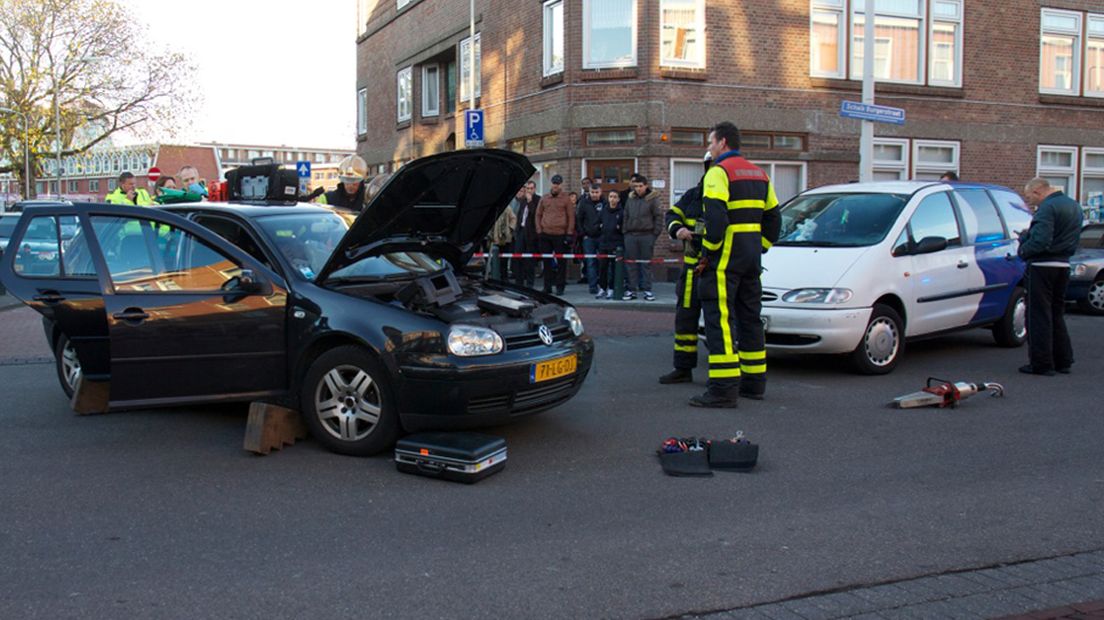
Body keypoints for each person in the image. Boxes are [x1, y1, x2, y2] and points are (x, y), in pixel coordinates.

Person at [691, 121, 781, 408]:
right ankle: (754, 383)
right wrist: (760, 246)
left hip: (724, 261)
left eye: (711, 142)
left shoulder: (718, 173)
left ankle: (723, 389)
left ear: (724, 142)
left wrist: (708, 251)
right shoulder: (760, 174)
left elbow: (715, 221)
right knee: (750, 319)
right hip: (751, 259)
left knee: (720, 323)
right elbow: (774, 219)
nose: (709, 148)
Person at [1017, 177, 1083, 375]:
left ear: (1038, 191)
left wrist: (1023, 246)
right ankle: (1063, 360)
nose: (1030, 202)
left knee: (1038, 315)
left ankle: (1042, 363)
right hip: (1063, 265)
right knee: (1056, 313)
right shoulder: (1074, 206)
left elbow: (1041, 241)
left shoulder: (1047, 208)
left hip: (1042, 266)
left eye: (1030, 197)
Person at [659, 152, 712, 384]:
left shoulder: (729, 196)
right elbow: (672, 214)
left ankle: (722, 375)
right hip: (691, 272)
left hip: (714, 271)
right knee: (685, 321)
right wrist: (677, 229)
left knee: (716, 323)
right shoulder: (694, 195)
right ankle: (683, 368)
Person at [621, 174, 663, 301]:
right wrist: (625, 231)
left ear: (646, 186)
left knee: (646, 264)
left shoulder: (653, 199)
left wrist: (654, 234)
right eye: (635, 186)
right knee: (630, 264)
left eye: (640, 186)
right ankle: (632, 290)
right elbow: (626, 214)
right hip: (631, 235)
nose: (638, 189)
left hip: (647, 235)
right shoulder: (630, 198)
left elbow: (658, 216)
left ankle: (647, 290)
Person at [535, 174, 575, 295]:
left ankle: (560, 287)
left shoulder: (566, 199)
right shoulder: (544, 198)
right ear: (551, 184)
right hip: (545, 234)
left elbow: (571, 216)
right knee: (546, 262)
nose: (555, 185)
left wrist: (569, 233)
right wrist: (539, 230)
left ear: (561, 184)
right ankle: (547, 286)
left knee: (561, 262)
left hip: (560, 234)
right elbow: (538, 214)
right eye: (554, 183)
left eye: (558, 183)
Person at [576, 184, 606, 295]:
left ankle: (603, 286)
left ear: (600, 192)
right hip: (588, 237)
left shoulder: (605, 202)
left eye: (596, 192)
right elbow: (578, 219)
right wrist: (583, 233)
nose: (594, 195)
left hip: (602, 237)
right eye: (592, 192)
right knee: (590, 262)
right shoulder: (583, 203)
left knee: (604, 262)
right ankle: (592, 287)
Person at [596, 189, 624, 299]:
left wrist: (619, 229)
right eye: (610, 196)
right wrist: (599, 228)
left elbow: (624, 227)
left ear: (618, 199)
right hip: (604, 243)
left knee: (614, 268)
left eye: (614, 197)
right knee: (602, 267)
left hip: (615, 244)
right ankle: (602, 288)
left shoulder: (621, 212)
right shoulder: (603, 211)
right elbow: (598, 223)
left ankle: (612, 288)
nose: (612, 199)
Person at [513, 181, 540, 288]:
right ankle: (518, 281)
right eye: (527, 188)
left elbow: (534, 214)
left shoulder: (538, 200)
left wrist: (530, 201)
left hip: (531, 233)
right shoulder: (522, 201)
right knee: (518, 256)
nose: (529, 191)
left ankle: (530, 283)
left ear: (535, 189)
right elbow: (520, 215)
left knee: (530, 259)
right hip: (521, 231)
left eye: (531, 188)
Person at [489, 199, 517, 281]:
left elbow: (513, 218)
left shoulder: (507, 208)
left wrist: (510, 229)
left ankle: (504, 277)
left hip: (505, 239)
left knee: (504, 260)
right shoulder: (492, 210)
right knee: (493, 260)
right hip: (494, 239)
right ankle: (495, 277)